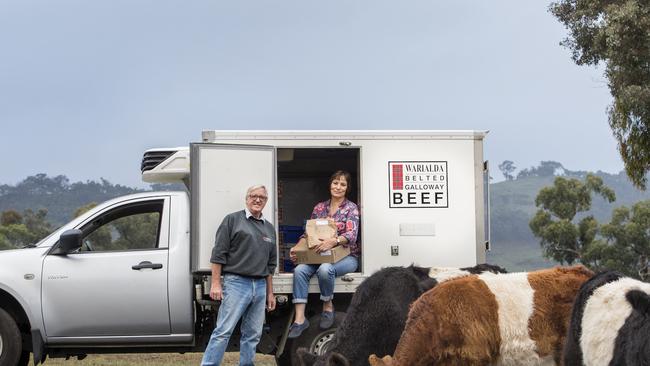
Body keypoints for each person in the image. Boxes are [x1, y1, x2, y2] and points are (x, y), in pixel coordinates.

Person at [201, 185, 277, 366]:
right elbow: (218, 254)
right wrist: (216, 284)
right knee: (223, 331)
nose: (257, 200)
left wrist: (270, 293)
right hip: (236, 283)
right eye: (254, 196)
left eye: (262, 197)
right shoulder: (232, 220)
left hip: (259, 286)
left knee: (252, 334)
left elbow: (270, 265)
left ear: (266, 201)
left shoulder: (269, 229)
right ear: (246, 198)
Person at [287, 170, 360, 338]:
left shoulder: (351, 208)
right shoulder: (319, 208)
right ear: (330, 185)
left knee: (325, 269)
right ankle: (299, 320)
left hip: (346, 257)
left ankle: (328, 305)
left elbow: (351, 235)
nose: (338, 187)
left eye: (343, 184)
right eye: (335, 183)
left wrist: (333, 241)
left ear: (347, 188)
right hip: (318, 255)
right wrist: (296, 249)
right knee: (299, 271)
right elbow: (308, 234)